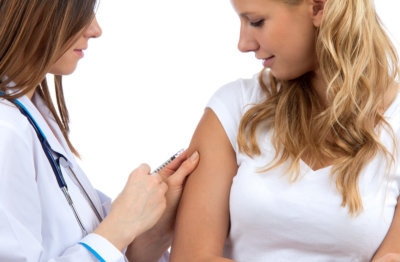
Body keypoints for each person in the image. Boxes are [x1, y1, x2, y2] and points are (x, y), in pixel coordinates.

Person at [170, 0, 400, 261]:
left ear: (318, 7)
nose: (243, 43)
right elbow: (191, 258)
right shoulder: (233, 108)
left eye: (256, 21)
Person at [0, 1, 199, 261]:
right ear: (34, 11)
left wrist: (150, 228)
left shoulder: (31, 115)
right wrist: (121, 225)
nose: (95, 29)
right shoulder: (6, 129)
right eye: (78, 12)